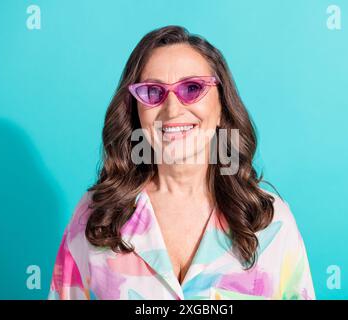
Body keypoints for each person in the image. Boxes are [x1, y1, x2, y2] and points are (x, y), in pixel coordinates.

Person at [47, 25, 315, 300]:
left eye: (192, 88)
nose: (172, 109)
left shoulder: (271, 221)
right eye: (153, 92)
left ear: (222, 106)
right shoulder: (97, 216)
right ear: (135, 111)